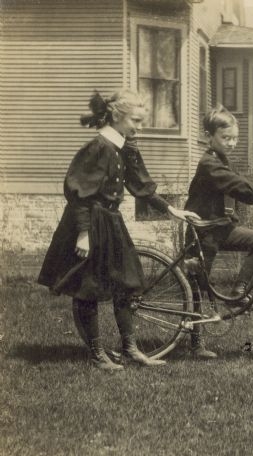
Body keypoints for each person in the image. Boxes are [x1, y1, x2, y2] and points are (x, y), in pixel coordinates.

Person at [38, 89, 197, 370]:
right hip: (90, 223)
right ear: (117, 116)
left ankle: (130, 348)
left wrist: (170, 208)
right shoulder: (98, 148)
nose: (140, 126)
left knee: (127, 283)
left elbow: (140, 186)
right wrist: (84, 234)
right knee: (88, 287)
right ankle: (97, 353)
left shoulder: (124, 148)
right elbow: (79, 194)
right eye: (135, 120)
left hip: (112, 223)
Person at [184, 105, 253, 356]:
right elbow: (235, 185)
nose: (231, 143)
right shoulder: (209, 164)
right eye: (225, 138)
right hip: (203, 232)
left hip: (220, 228)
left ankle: (239, 292)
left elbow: (244, 180)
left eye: (234, 138)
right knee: (198, 288)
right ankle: (195, 344)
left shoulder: (222, 160)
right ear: (209, 136)